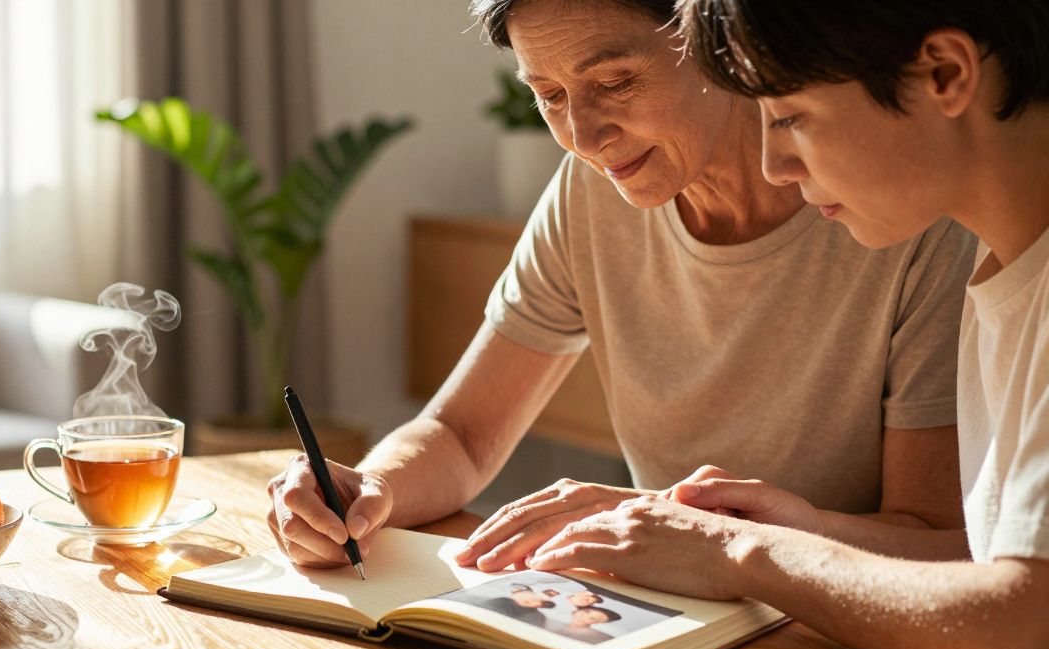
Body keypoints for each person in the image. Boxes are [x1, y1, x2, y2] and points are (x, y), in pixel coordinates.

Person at [266, 0, 973, 581]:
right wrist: (372, 490)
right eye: (548, 97)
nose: (582, 136)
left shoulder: (898, 213)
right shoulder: (591, 195)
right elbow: (461, 433)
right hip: (668, 623)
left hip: (847, 634)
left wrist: (700, 536)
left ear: (716, 38)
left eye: (615, 83)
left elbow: (938, 539)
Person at [506, 0, 1049, 649]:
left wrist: (741, 555)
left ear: (944, 74)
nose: (773, 162)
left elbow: (1030, 638)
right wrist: (785, 531)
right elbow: (1000, 568)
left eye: (790, 117)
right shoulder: (1005, 279)